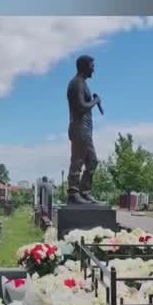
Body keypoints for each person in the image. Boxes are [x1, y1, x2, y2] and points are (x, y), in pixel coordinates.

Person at [66, 55, 101, 204]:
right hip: (79, 127)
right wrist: (95, 101)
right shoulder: (77, 83)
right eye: (92, 66)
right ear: (85, 67)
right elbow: (81, 107)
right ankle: (73, 193)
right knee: (78, 160)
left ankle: (84, 192)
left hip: (85, 129)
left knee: (92, 161)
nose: (94, 69)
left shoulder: (83, 83)